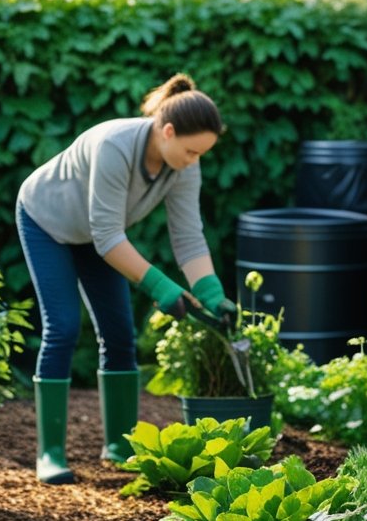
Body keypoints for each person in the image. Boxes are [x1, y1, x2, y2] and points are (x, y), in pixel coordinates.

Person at [16, 74, 235, 484]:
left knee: (119, 333)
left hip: (97, 236)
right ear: (167, 131)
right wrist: (160, 286)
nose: (194, 160)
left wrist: (211, 293)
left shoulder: (183, 164)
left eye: (201, 153)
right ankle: (50, 453)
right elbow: (108, 237)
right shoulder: (114, 146)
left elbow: (188, 236)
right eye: (190, 151)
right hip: (47, 221)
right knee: (62, 327)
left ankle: (119, 446)